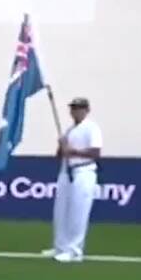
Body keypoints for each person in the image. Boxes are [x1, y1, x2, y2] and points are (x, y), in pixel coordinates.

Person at [46, 96, 102, 263]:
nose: (75, 111)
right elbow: (60, 155)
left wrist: (72, 151)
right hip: (66, 172)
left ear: (86, 110)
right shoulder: (70, 130)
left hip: (83, 171)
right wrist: (61, 145)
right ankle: (60, 246)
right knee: (61, 211)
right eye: (73, 108)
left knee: (78, 212)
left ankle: (74, 250)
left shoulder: (92, 128)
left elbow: (95, 153)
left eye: (79, 108)